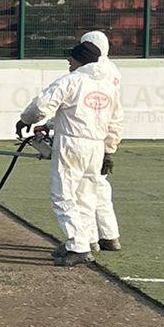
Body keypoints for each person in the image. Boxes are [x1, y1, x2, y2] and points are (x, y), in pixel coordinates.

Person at [16, 35, 123, 265]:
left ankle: (77, 245)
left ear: (81, 60)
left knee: (62, 194)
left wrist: (26, 121)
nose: (68, 60)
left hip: (71, 144)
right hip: (96, 146)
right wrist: (109, 149)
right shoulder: (107, 86)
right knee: (86, 195)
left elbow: (42, 105)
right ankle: (84, 240)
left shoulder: (71, 81)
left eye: (71, 57)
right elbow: (115, 121)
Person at [76, 29, 122, 252]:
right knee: (101, 187)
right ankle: (110, 235)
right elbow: (116, 115)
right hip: (103, 135)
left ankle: (88, 239)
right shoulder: (113, 70)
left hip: (86, 136)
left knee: (84, 190)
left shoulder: (88, 73)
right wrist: (110, 148)